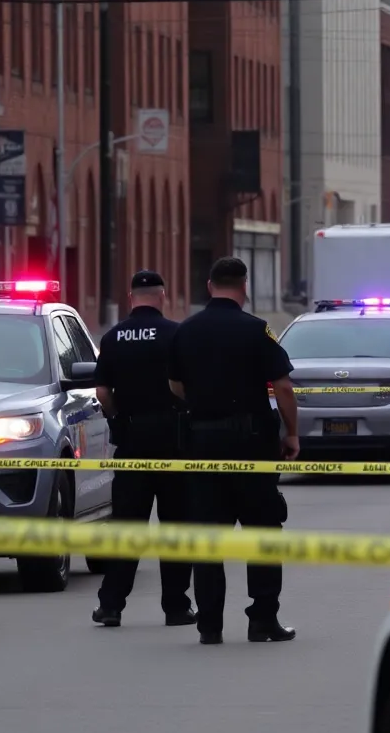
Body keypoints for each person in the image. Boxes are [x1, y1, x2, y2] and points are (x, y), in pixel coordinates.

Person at [167, 257, 300, 646]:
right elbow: (284, 388)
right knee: (262, 531)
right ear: (244, 286)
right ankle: (262, 621)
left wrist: (204, 404)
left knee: (208, 536)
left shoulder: (186, 330)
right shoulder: (258, 330)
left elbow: (175, 386)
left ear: (209, 286)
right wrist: (292, 433)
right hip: (252, 444)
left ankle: (210, 624)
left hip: (203, 444)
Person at [91, 270, 196, 628]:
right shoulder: (176, 334)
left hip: (133, 441)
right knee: (176, 526)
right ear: (162, 296)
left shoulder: (113, 337)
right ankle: (177, 607)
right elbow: (184, 384)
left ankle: (111, 606)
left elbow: (102, 393)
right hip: (173, 442)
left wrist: (119, 420)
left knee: (127, 526)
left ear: (131, 296)